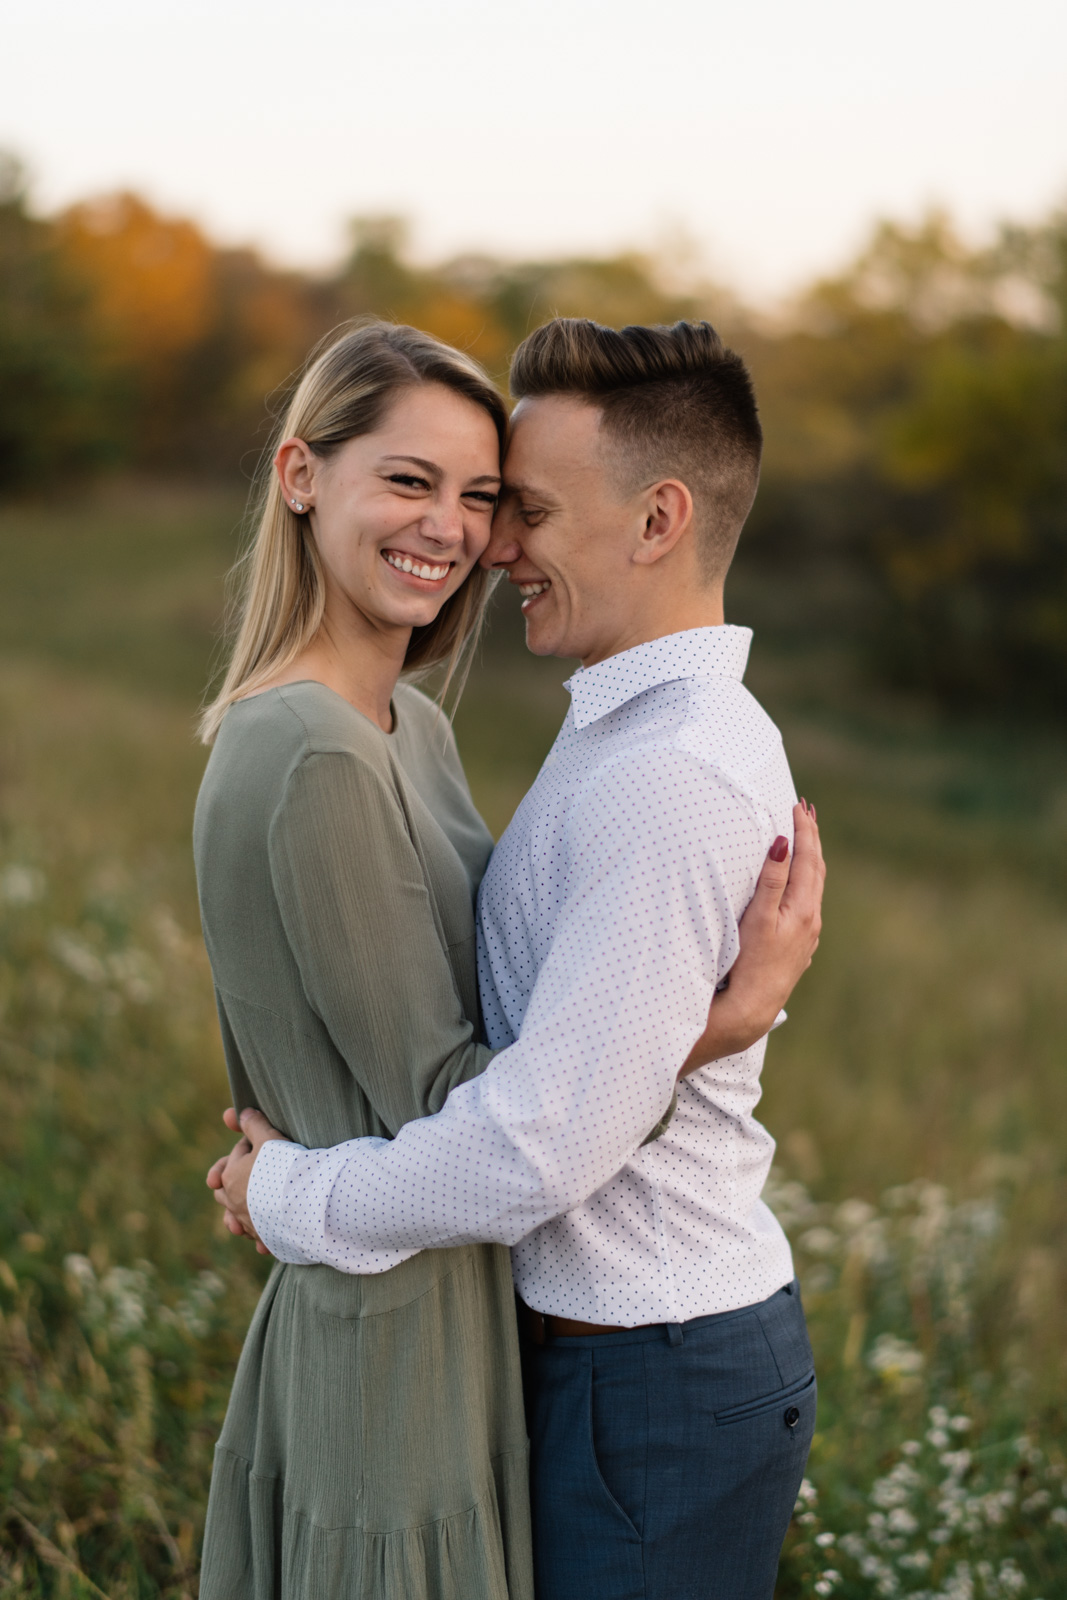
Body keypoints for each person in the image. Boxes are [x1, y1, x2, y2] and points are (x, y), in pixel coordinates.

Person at [195, 318, 823, 1600]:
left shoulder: (663, 770)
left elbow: (541, 1138)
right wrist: (704, 1028)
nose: (491, 544)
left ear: (656, 522)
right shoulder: (617, 726)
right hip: (573, 1350)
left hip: (645, 1363)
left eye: (513, 505)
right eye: (440, 490)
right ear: (302, 476)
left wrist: (286, 1198)